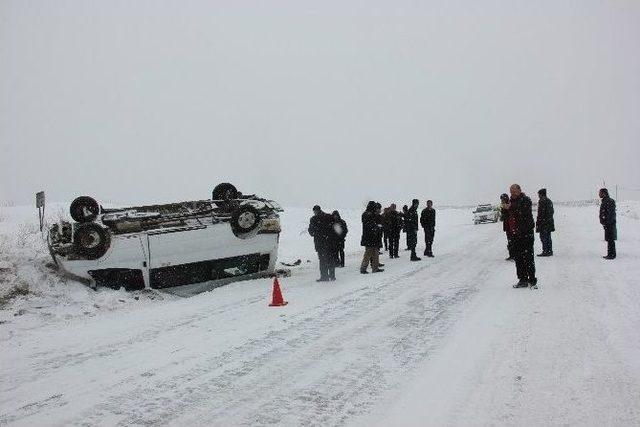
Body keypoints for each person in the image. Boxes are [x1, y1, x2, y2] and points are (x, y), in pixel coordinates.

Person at [507, 184, 537, 288]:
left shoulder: (525, 200)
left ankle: (532, 280)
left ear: (520, 190)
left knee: (528, 258)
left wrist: (511, 207)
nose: (512, 194)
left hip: (526, 234)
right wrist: (505, 209)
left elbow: (522, 211)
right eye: (511, 192)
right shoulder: (510, 202)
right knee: (518, 259)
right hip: (515, 234)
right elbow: (507, 217)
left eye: (514, 191)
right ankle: (522, 279)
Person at [308, 205, 336, 281]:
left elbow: (311, 232)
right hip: (329, 242)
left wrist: (317, 232)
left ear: (314, 211)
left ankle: (324, 276)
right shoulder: (329, 217)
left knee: (322, 260)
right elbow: (334, 229)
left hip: (320, 243)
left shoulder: (313, 219)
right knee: (330, 259)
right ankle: (332, 276)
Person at [361, 201, 385, 274]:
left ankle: (375, 268)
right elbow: (369, 225)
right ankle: (363, 268)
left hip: (372, 236)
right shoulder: (368, 214)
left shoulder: (369, 214)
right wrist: (377, 227)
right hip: (369, 237)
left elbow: (372, 224)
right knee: (368, 253)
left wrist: (377, 227)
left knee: (375, 252)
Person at [536, 188, 555, 256]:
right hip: (549, 222)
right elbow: (552, 212)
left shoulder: (542, 201)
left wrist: (540, 222)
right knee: (548, 237)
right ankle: (549, 251)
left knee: (543, 237)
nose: (538, 195)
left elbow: (541, 213)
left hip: (544, 223)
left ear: (541, 194)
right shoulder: (549, 201)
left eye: (538, 194)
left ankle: (545, 251)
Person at [599, 188, 617, 259]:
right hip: (607, 224)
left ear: (604, 193)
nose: (599, 194)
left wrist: (607, 223)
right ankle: (610, 253)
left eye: (600, 193)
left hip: (609, 224)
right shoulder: (605, 201)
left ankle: (612, 255)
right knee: (609, 239)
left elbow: (610, 214)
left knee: (610, 239)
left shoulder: (609, 201)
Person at [500, 193, 516, 261]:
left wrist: (503, 216)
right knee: (511, 241)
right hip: (509, 226)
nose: (501, 201)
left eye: (502, 199)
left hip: (510, 226)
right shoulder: (505, 205)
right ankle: (512, 255)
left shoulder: (508, 205)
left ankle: (513, 255)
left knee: (511, 241)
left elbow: (507, 215)